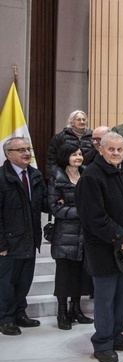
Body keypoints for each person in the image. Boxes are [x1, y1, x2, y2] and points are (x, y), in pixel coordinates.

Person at [75, 132, 123, 362]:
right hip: (104, 250)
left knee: (122, 297)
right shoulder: (92, 177)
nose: (116, 153)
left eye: (120, 149)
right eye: (111, 149)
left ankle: (116, 335)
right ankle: (103, 343)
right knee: (105, 299)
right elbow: (93, 217)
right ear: (101, 149)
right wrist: (120, 236)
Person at [0, 137, 48, 336]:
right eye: (20, 150)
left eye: (28, 149)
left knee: (24, 280)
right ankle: (6, 318)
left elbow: (43, 203)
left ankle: (20, 313)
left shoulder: (35, 175)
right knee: (6, 284)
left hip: (29, 238)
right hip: (9, 241)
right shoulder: (2, 177)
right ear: (8, 153)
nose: (26, 153)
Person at [48, 144, 93, 330]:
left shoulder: (87, 175)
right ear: (65, 156)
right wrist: (81, 211)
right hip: (65, 234)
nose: (78, 157)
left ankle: (76, 309)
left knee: (81, 274)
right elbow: (55, 207)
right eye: (74, 154)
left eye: (80, 154)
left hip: (85, 233)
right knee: (64, 275)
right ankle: (62, 312)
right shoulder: (56, 178)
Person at [46, 110, 94, 177]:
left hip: (89, 174)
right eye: (79, 120)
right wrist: (53, 175)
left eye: (84, 119)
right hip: (65, 175)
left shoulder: (93, 137)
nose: (82, 122)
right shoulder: (60, 137)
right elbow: (52, 159)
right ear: (72, 122)